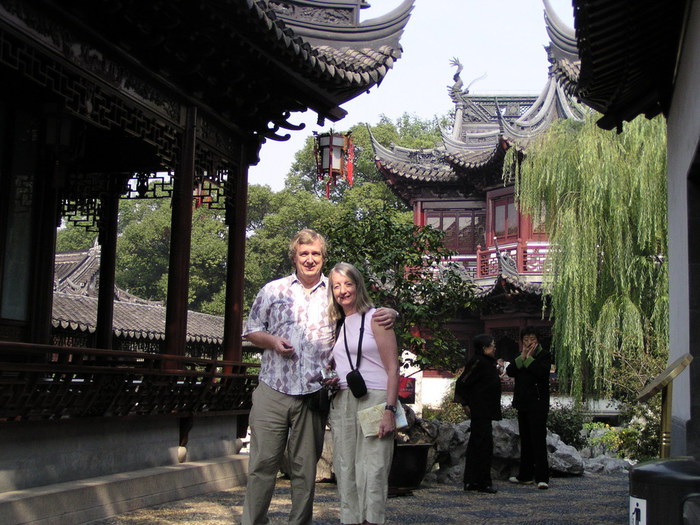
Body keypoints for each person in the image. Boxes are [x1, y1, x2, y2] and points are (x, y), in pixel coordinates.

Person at [241, 230, 396, 525]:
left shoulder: (334, 291)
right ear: (294, 256)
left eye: (316, 254)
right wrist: (273, 341)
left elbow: (361, 312)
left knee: (305, 470)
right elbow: (250, 329)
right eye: (304, 254)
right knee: (262, 463)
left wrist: (391, 312)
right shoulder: (273, 290)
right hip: (274, 386)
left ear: (323, 257)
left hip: (314, 394)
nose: (310, 259)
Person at [327, 262, 399, 525]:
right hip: (343, 398)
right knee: (345, 466)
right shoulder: (335, 323)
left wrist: (390, 411)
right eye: (336, 286)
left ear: (358, 285)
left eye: (347, 284)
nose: (342, 291)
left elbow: (393, 368)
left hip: (375, 399)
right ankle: (350, 520)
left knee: (374, 466)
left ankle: (371, 520)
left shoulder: (377, 317)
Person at [453, 333, 502, 494]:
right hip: (480, 408)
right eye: (492, 345)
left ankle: (474, 480)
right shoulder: (478, 362)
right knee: (481, 445)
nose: (494, 348)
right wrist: (465, 403)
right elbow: (462, 382)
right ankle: (480, 481)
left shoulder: (488, 363)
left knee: (480, 444)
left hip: (486, 409)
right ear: (484, 348)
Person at [506, 327, 552, 490]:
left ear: (537, 340)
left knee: (538, 440)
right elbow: (510, 371)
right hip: (522, 403)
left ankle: (542, 477)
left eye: (531, 339)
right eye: (525, 339)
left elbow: (541, 373)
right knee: (525, 439)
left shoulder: (544, 355)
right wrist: (523, 357)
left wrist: (530, 359)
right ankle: (524, 475)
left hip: (538, 404)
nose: (528, 342)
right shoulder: (520, 355)